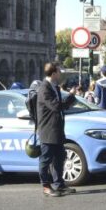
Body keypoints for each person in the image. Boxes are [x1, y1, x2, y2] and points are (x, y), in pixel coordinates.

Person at [35, 62, 76, 197]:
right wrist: (70, 96)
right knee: (45, 159)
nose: (60, 74)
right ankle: (46, 186)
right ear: (53, 74)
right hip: (48, 130)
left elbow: (60, 107)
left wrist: (70, 97)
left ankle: (59, 184)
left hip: (57, 128)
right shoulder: (44, 89)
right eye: (58, 72)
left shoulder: (54, 87)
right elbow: (56, 106)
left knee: (59, 157)